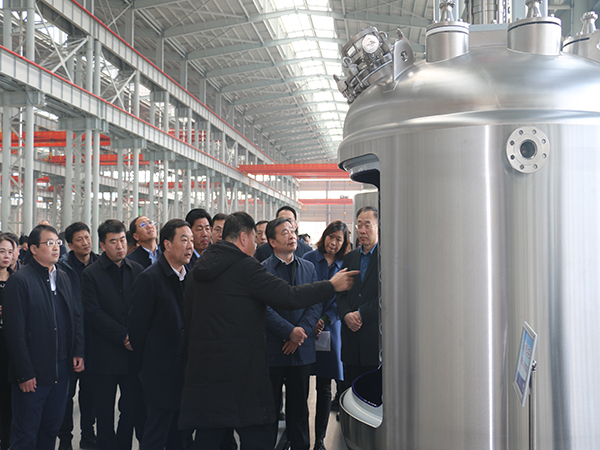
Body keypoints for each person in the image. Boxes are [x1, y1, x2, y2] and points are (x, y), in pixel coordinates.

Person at [178, 211, 358, 450]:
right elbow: (288, 296)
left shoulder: (197, 271)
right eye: (254, 238)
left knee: (210, 436)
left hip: (206, 373)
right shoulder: (246, 268)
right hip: (242, 372)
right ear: (243, 238)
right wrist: (330, 286)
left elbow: (189, 318)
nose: (256, 245)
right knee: (258, 437)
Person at [3, 224, 85, 450]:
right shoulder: (20, 281)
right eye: (49, 243)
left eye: (57, 243)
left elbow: (76, 317)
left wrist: (78, 350)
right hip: (33, 372)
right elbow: (14, 332)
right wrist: (24, 373)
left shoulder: (64, 276)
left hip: (61, 369)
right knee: (26, 433)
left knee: (50, 429)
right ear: (33, 249)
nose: (56, 247)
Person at [129, 219, 194, 450]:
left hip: (186, 373)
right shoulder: (150, 279)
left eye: (191, 240)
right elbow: (137, 330)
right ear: (167, 244)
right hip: (160, 375)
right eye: (184, 240)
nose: (190, 246)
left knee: (181, 435)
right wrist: (152, 362)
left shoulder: (191, 277)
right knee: (156, 434)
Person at [82, 220, 146, 450]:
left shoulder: (137, 270)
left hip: (131, 357)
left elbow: (142, 308)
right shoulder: (91, 274)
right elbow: (93, 313)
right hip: (104, 355)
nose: (120, 246)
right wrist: (123, 336)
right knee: (104, 411)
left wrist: (134, 336)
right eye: (113, 242)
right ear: (102, 245)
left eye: (122, 240)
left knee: (130, 409)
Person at [262, 218, 320, 450]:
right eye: (284, 233)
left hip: (301, 350)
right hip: (273, 350)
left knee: (299, 409)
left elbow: (315, 303)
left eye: (292, 231)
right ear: (272, 241)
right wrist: (288, 332)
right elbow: (263, 308)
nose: (292, 236)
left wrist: (300, 333)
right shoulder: (263, 270)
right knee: (269, 409)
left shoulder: (309, 268)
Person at [303, 221, 351, 450]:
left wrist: (325, 319)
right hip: (305, 327)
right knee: (300, 385)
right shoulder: (309, 259)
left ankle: (320, 440)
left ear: (344, 243)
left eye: (339, 239)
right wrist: (311, 320)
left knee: (324, 387)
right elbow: (302, 292)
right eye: (331, 237)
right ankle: (298, 437)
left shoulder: (344, 265)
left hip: (329, 331)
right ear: (324, 236)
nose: (333, 243)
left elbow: (344, 301)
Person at [56, 222, 99, 450]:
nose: (85, 242)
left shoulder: (100, 264)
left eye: (87, 237)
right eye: (79, 239)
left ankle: (88, 434)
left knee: (90, 393)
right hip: (71, 338)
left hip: (95, 338)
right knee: (66, 394)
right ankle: (65, 438)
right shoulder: (62, 268)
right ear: (70, 245)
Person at [337, 207, 380, 391]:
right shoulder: (350, 258)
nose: (362, 230)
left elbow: (387, 296)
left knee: (373, 392)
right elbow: (341, 293)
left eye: (367, 225)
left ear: (378, 227)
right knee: (350, 391)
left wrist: (362, 313)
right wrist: (346, 314)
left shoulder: (386, 257)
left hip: (374, 339)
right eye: (359, 225)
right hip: (351, 339)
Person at [0, 233, 16, 450]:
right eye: (2, 251)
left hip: (10, 346)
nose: (6, 256)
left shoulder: (17, 279)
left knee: (8, 398)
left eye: (10, 252)